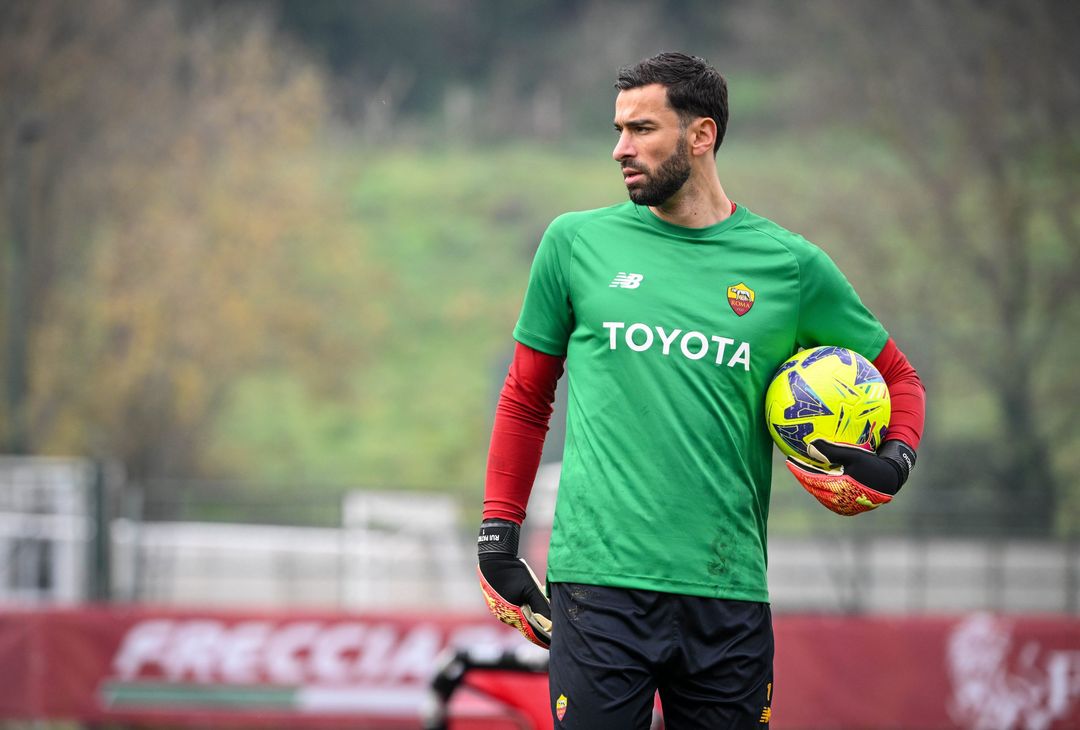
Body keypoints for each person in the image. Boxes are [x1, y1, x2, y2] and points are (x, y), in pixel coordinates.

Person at [476, 52, 926, 729]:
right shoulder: (574, 244)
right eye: (618, 128)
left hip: (728, 590)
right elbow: (524, 397)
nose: (619, 149)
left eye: (642, 130)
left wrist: (894, 462)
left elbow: (900, 378)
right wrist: (496, 538)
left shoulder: (789, 267)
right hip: (600, 585)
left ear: (701, 135)